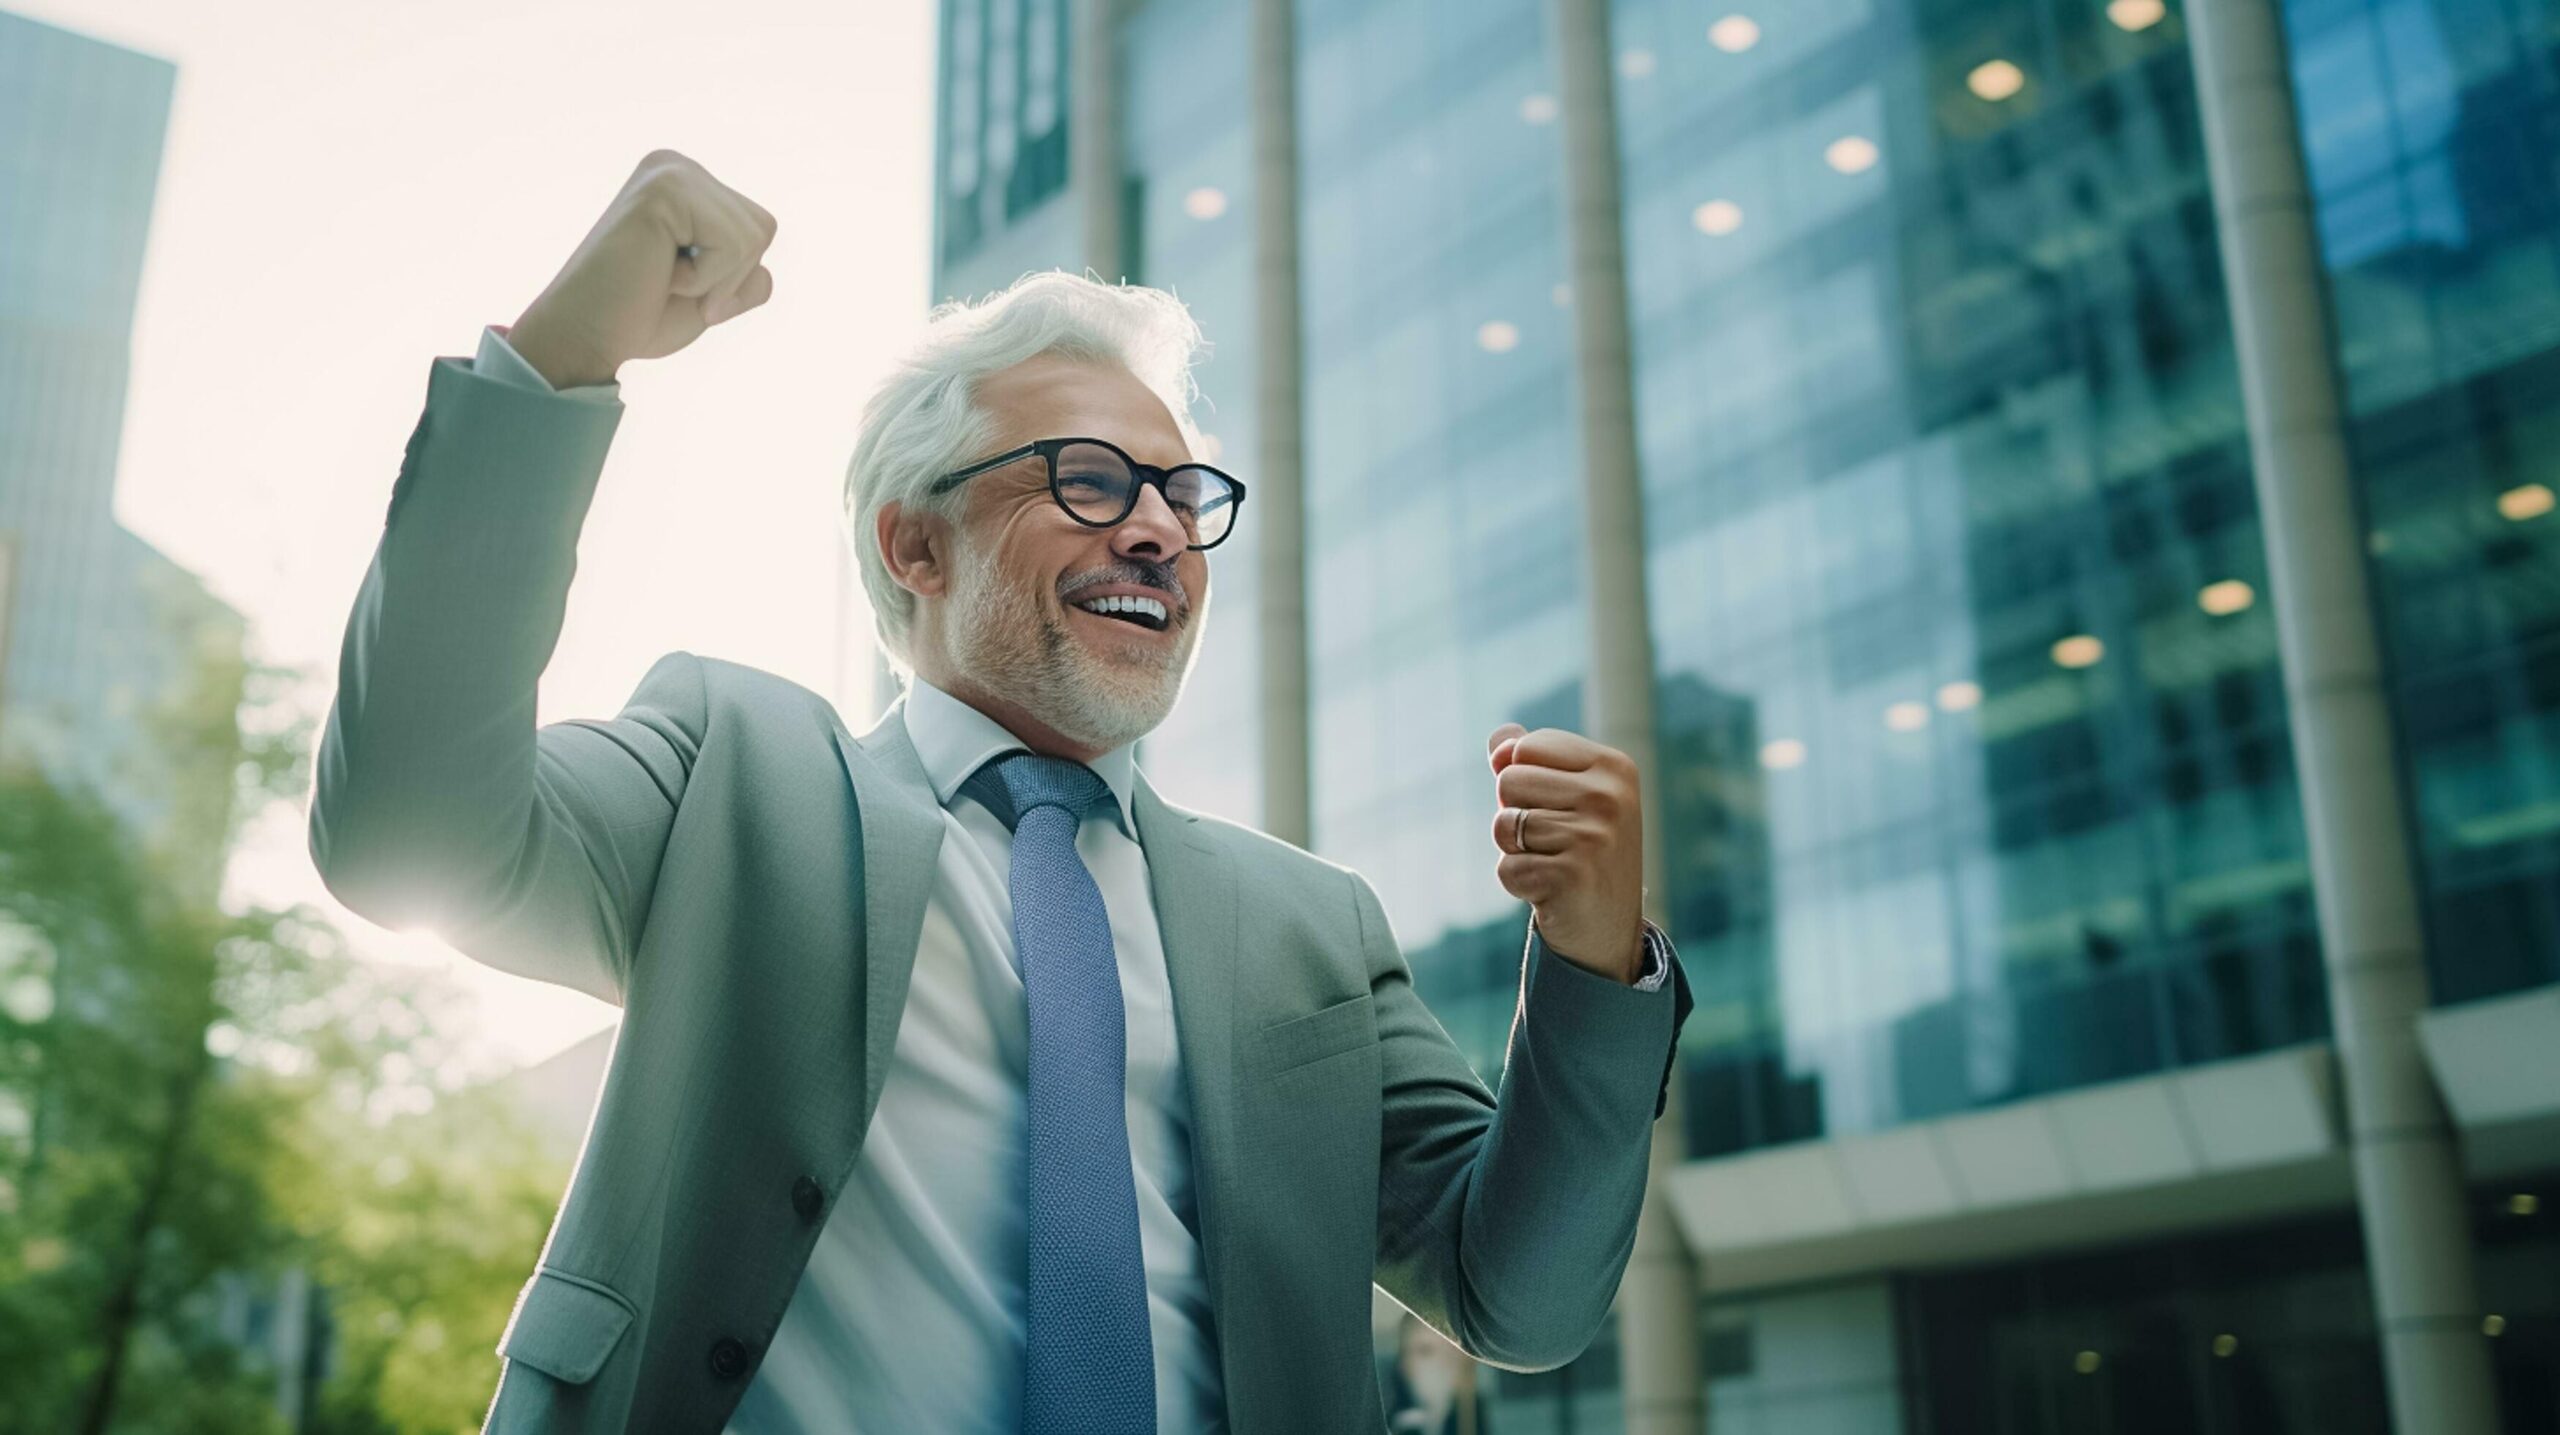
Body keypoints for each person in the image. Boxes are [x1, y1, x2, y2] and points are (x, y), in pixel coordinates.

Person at [307, 149, 1691, 1435]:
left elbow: (1521, 1293)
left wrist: (1592, 962)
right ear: (914, 541)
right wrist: (561, 363)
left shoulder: (1309, 924)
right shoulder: (728, 774)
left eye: (1180, 492)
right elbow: (406, 833)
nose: (1155, 526)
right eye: (1088, 481)